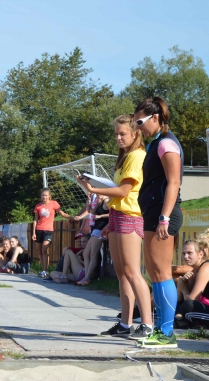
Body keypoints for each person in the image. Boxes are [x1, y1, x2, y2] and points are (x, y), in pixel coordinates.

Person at [77, 114, 153, 340]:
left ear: (135, 134)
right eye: (116, 134)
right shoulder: (125, 156)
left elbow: (123, 191)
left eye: (122, 134)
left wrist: (94, 190)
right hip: (118, 214)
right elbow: (118, 193)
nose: (118, 138)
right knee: (122, 274)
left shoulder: (138, 155)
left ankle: (147, 324)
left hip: (131, 215)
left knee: (132, 272)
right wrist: (110, 217)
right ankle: (125, 323)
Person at [134, 97, 184, 348]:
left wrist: (164, 217)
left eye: (140, 122)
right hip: (153, 213)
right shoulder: (155, 144)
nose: (138, 128)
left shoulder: (166, 144)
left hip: (163, 214)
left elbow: (174, 182)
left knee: (162, 273)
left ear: (155, 117)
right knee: (154, 272)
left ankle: (166, 333)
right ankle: (161, 330)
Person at [32, 188, 73, 278]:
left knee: (45, 249)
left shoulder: (54, 203)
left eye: (46, 195)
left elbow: (61, 213)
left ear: (49, 196)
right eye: (43, 195)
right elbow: (35, 219)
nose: (44, 197)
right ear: (41, 196)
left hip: (49, 230)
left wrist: (71, 217)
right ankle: (43, 270)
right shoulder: (38, 206)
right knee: (40, 251)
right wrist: (34, 232)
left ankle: (46, 270)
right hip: (39, 229)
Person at [77, 194, 109, 285]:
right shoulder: (99, 201)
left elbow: (113, 213)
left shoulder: (107, 201)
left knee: (93, 254)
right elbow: (92, 213)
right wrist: (91, 204)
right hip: (95, 229)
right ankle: (87, 275)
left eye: (99, 192)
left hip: (101, 229)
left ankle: (87, 278)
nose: (97, 194)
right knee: (85, 253)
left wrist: (101, 216)